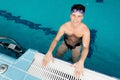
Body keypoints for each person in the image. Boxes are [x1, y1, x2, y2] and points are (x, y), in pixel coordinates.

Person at [42, 4, 90, 78]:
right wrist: (49, 52)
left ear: (82, 17)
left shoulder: (85, 30)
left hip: (76, 47)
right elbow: (56, 39)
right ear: (70, 15)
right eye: (73, 15)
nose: (75, 19)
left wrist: (81, 62)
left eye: (79, 16)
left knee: (76, 61)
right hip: (65, 43)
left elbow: (86, 47)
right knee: (58, 55)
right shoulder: (64, 26)